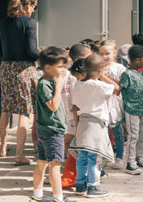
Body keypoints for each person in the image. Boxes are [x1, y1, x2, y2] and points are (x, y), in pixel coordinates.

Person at [0, 0, 41, 165]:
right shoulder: (29, 22)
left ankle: (2, 147)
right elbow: (32, 51)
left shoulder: (3, 23)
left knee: (5, 109)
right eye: (34, 7)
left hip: (6, 69)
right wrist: (44, 54)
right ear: (28, 5)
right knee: (24, 111)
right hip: (24, 70)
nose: (34, 11)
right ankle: (19, 155)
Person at [70, 54, 119, 198]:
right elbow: (116, 88)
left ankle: (80, 184)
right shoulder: (99, 85)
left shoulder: (77, 84)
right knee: (94, 157)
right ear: (99, 69)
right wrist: (103, 76)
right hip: (96, 124)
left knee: (82, 157)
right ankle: (93, 186)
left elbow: (74, 107)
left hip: (82, 122)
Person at [31, 47, 69, 202]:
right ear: (47, 67)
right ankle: (58, 198)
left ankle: (37, 196)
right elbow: (53, 105)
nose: (64, 70)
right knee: (55, 164)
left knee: (42, 162)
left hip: (47, 129)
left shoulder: (48, 82)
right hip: (51, 130)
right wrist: (59, 85)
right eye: (60, 66)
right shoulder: (45, 84)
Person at [120, 45, 143, 174]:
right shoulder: (127, 74)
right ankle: (130, 161)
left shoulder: (141, 72)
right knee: (133, 135)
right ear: (137, 60)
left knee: (142, 135)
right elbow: (119, 88)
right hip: (132, 109)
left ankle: (140, 157)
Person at [97, 38, 126, 168]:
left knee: (117, 131)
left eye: (107, 53)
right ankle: (104, 156)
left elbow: (122, 85)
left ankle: (119, 156)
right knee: (102, 133)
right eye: (101, 53)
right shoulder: (97, 67)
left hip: (115, 104)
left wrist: (108, 77)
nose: (104, 56)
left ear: (114, 53)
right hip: (101, 104)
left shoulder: (119, 67)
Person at [60, 56, 88, 190]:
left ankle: (73, 176)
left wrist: (78, 125)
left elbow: (77, 107)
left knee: (73, 147)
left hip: (79, 120)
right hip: (70, 118)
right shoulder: (66, 78)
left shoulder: (79, 83)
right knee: (71, 146)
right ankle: (73, 174)